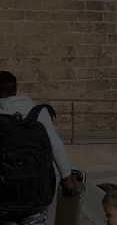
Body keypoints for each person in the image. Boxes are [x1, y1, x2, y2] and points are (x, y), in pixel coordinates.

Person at [0, 71, 76, 225]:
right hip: (37, 191)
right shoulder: (37, 111)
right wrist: (67, 177)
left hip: (5, 195)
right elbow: (55, 145)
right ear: (15, 88)